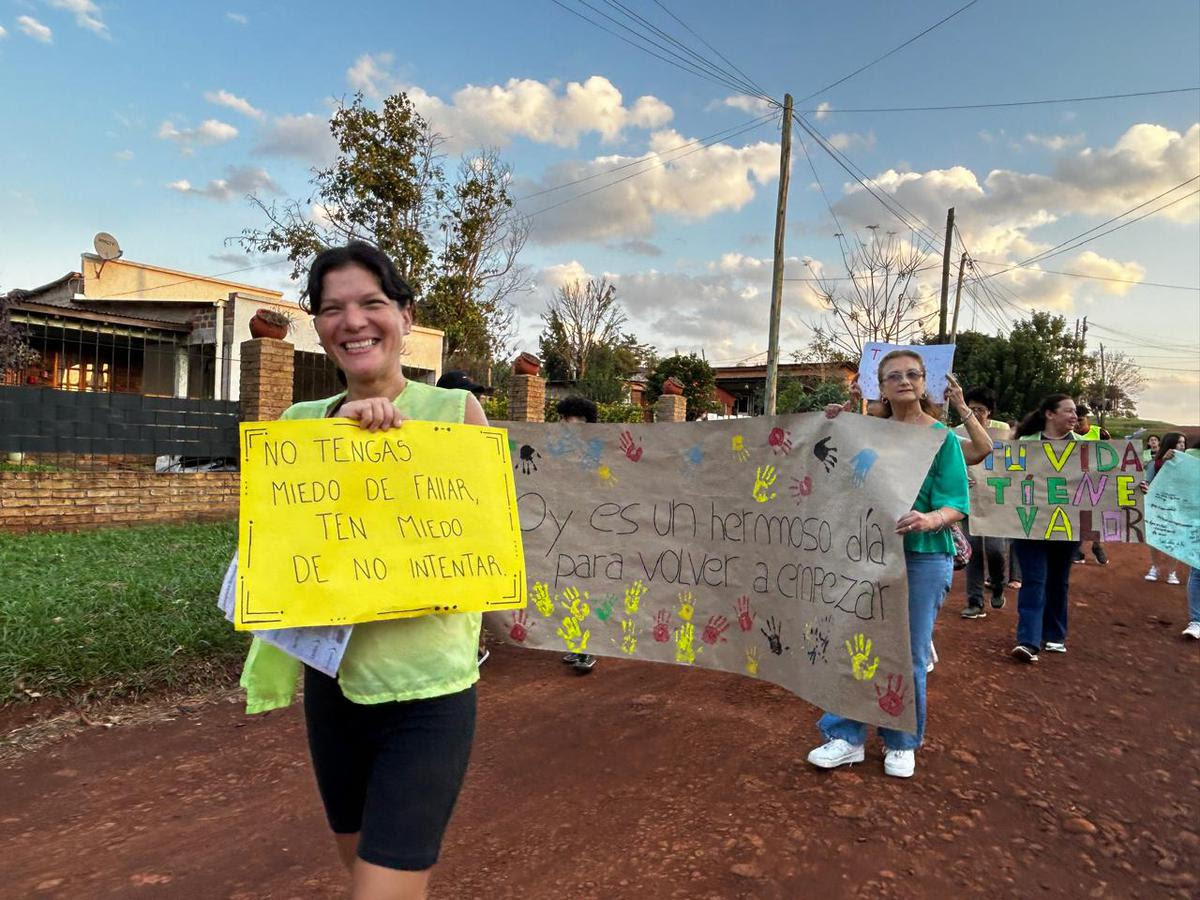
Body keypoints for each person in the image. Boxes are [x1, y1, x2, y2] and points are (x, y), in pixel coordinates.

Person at [239, 241, 486, 899]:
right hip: (336, 691)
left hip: (430, 697)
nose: (353, 322)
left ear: (405, 316)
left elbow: (484, 544)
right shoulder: (295, 426)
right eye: (332, 309)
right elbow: (271, 560)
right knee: (365, 875)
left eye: (372, 303)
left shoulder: (456, 415)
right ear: (317, 326)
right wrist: (335, 445)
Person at [807, 350, 969, 779]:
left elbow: (957, 502)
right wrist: (832, 422)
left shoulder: (943, 439)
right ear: (881, 385)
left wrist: (930, 519)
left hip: (925, 556)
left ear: (924, 382)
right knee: (856, 643)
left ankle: (901, 740)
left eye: (913, 374)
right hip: (866, 555)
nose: (904, 381)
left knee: (908, 651)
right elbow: (830, 469)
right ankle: (846, 737)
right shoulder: (868, 433)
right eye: (893, 375)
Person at [1009, 395, 1081, 662]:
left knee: (1058, 582)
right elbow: (1002, 478)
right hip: (1029, 526)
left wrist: (1133, 488)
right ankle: (1028, 640)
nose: (1075, 416)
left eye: (1076, 412)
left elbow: (1105, 484)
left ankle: (1055, 635)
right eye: (1069, 411)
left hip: (1068, 527)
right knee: (1034, 580)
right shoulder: (1022, 445)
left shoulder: (1088, 449)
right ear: (1050, 414)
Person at [437, 370, 495, 667]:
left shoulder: (480, 435)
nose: (477, 402)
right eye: (468, 396)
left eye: (477, 396)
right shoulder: (423, 437)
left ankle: (473, 643)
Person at [946, 383, 1010, 618]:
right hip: (970, 500)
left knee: (994, 549)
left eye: (981, 409)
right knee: (971, 549)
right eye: (972, 408)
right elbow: (952, 462)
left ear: (990, 411)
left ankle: (997, 582)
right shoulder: (956, 433)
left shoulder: (1004, 431)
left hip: (998, 500)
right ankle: (975, 601)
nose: (976, 413)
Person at [555, 395, 601, 674]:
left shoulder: (595, 453)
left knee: (588, 588)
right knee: (569, 589)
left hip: (590, 534)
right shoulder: (560, 450)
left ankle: (588, 647)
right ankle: (577, 644)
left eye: (567, 421)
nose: (561, 425)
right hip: (565, 531)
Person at [1143, 432, 1188, 585]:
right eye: (1179, 442)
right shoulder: (1155, 462)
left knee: (1175, 539)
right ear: (1170, 444)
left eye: (1183, 443)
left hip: (1178, 507)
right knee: (1155, 537)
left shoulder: (1189, 463)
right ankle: (1155, 568)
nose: (1182, 445)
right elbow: (1148, 481)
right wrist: (1163, 461)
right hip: (1158, 505)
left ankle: (1172, 572)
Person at [1071, 405, 1111, 565]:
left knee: (1096, 515)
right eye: (1075, 421)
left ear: (1087, 418)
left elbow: (1114, 452)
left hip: (1096, 481)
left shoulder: (1100, 433)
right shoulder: (1068, 434)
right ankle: (1077, 548)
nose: (1077, 424)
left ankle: (1097, 546)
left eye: (1080, 420)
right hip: (1075, 481)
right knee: (1078, 515)